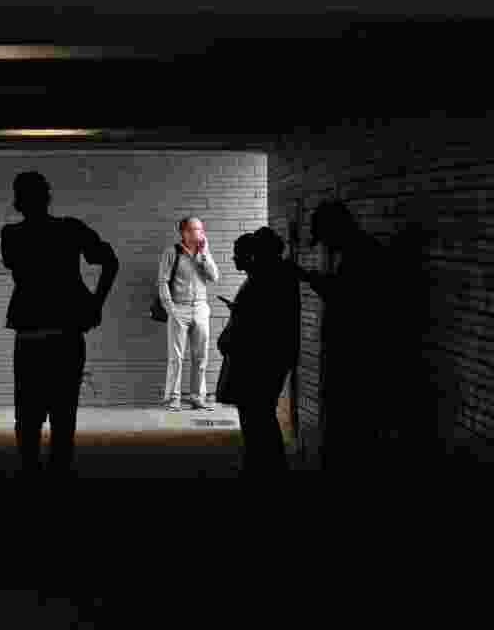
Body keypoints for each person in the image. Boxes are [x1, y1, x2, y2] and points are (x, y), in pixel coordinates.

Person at [1, 171, 119, 476]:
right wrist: (96, 303)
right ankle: (59, 472)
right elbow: (110, 260)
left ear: (18, 201)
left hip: (29, 334)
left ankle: (30, 470)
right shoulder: (71, 229)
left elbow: (18, 264)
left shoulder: (11, 235)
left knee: (27, 415)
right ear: (47, 196)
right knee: (64, 413)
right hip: (67, 333)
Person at [291, 199, 391, 472]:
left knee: (350, 425)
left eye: (325, 238)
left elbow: (347, 298)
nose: (324, 246)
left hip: (356, 358)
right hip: (350, 354)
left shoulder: (361, 255)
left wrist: (311, 278)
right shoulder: (358, 252)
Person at [219, 229, 299, 476]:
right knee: (259, 416)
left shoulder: (266, 280)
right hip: (265, 358)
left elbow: (261, 322)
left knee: (258, 417)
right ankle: (264, 466)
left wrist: (238, 317)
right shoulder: (274, 277)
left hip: (259, 360)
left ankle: (265, 468)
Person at [159, 217, 220, 411]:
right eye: (195, 230)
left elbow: (214, 277)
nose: (200, 233)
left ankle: (197, 397)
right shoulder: (172, 253)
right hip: (179, 308)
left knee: (200, 356)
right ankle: (173, 399)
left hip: (201, 308)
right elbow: (162, 282)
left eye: (201, 229)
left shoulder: (204, 252)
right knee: (176, 357)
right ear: (184, 233)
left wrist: (204, 255)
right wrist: (171, 309)